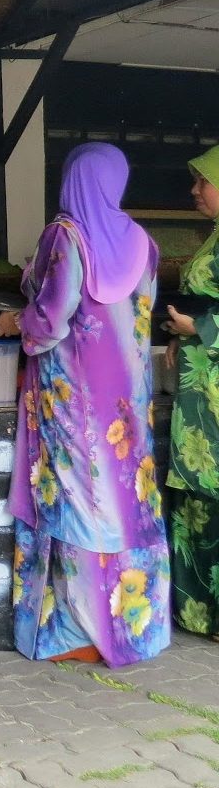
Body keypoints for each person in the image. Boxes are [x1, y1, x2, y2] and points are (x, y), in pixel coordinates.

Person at [0, 142, 168, 666]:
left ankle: (77, 633)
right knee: (127, 500)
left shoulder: (65, 236)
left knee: (76, 499)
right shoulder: (143, 242)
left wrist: (14, 322)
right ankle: (132, 629)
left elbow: (51, 319)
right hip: (128, 403)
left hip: (74, 401)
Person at [160, 144, 219, 639]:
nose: (194, 190)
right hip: (201, 393)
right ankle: (198, 614)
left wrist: (198, 327)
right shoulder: (213, 237)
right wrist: (181, 334)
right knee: (197, 502)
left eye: (204, 180)